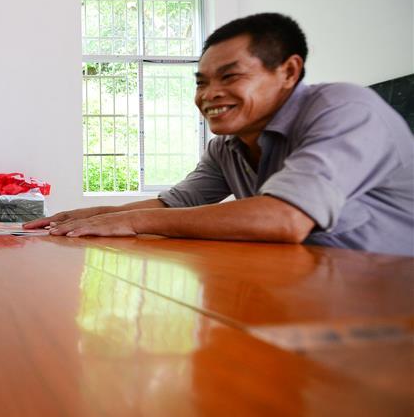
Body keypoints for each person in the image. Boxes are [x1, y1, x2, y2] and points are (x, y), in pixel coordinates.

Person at [25, 13, 414, 257]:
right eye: (201, 82)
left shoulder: (344, 108)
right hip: (308, 282)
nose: (209, 95)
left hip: (389, 293)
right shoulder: (225, 147)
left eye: (230, 76)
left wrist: (135, 221)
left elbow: (285, 219)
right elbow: (174, 204)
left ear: (289, 72)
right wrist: (86, 216)